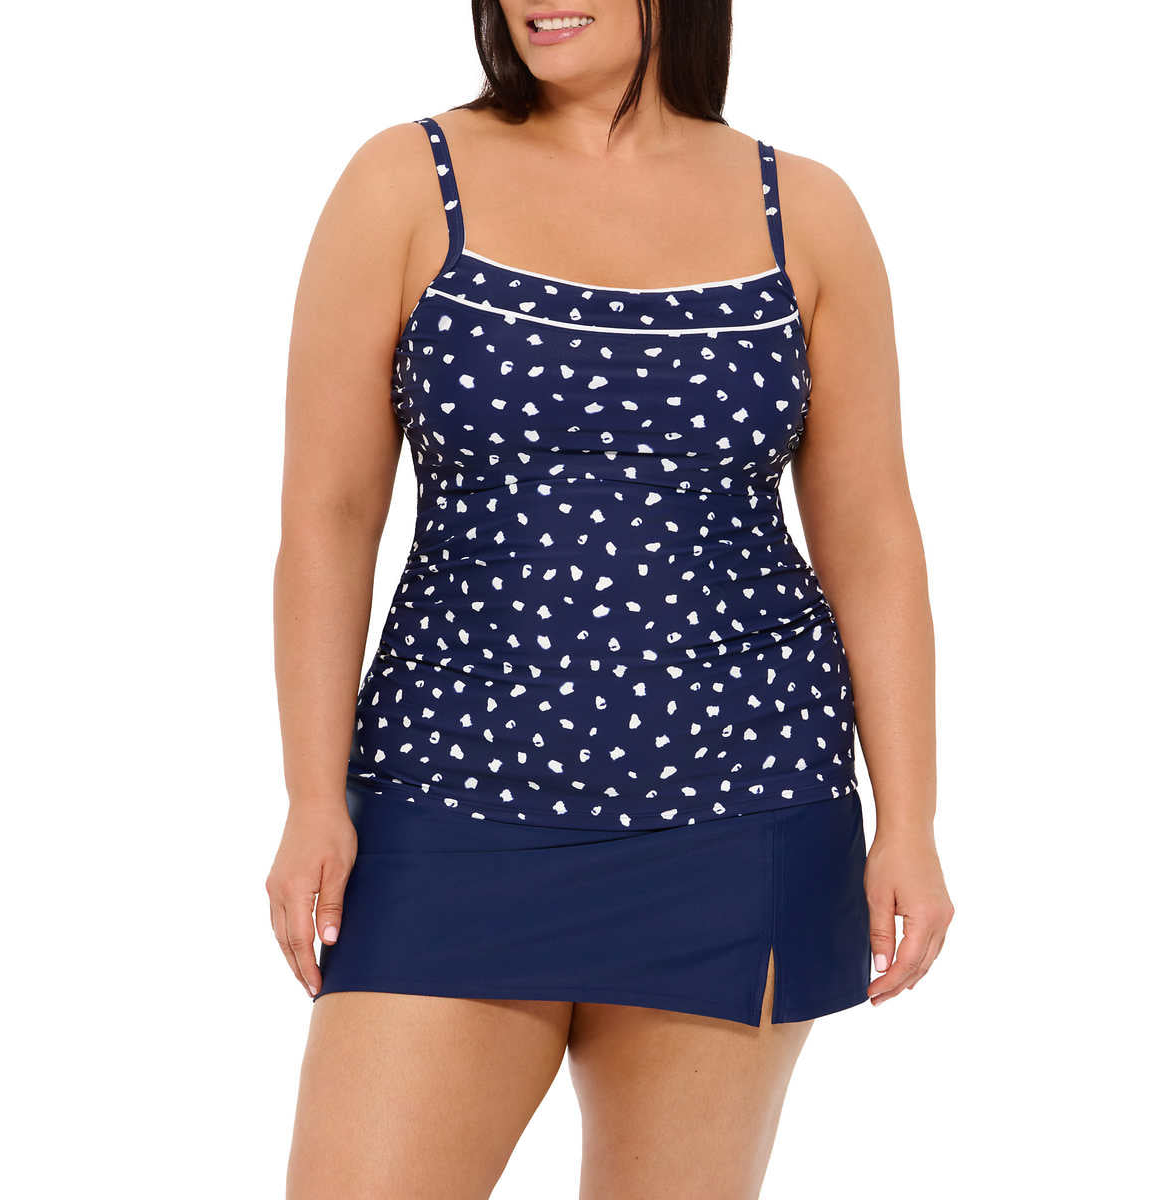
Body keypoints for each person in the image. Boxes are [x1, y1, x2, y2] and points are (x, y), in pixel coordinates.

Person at [267, 2, 954, 1196]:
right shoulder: (404, 183)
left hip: (740, 809)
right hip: (449, 801)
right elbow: (327, 521)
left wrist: (912, 821)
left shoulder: (807, 212)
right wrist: (310, 798)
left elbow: (873, 540)